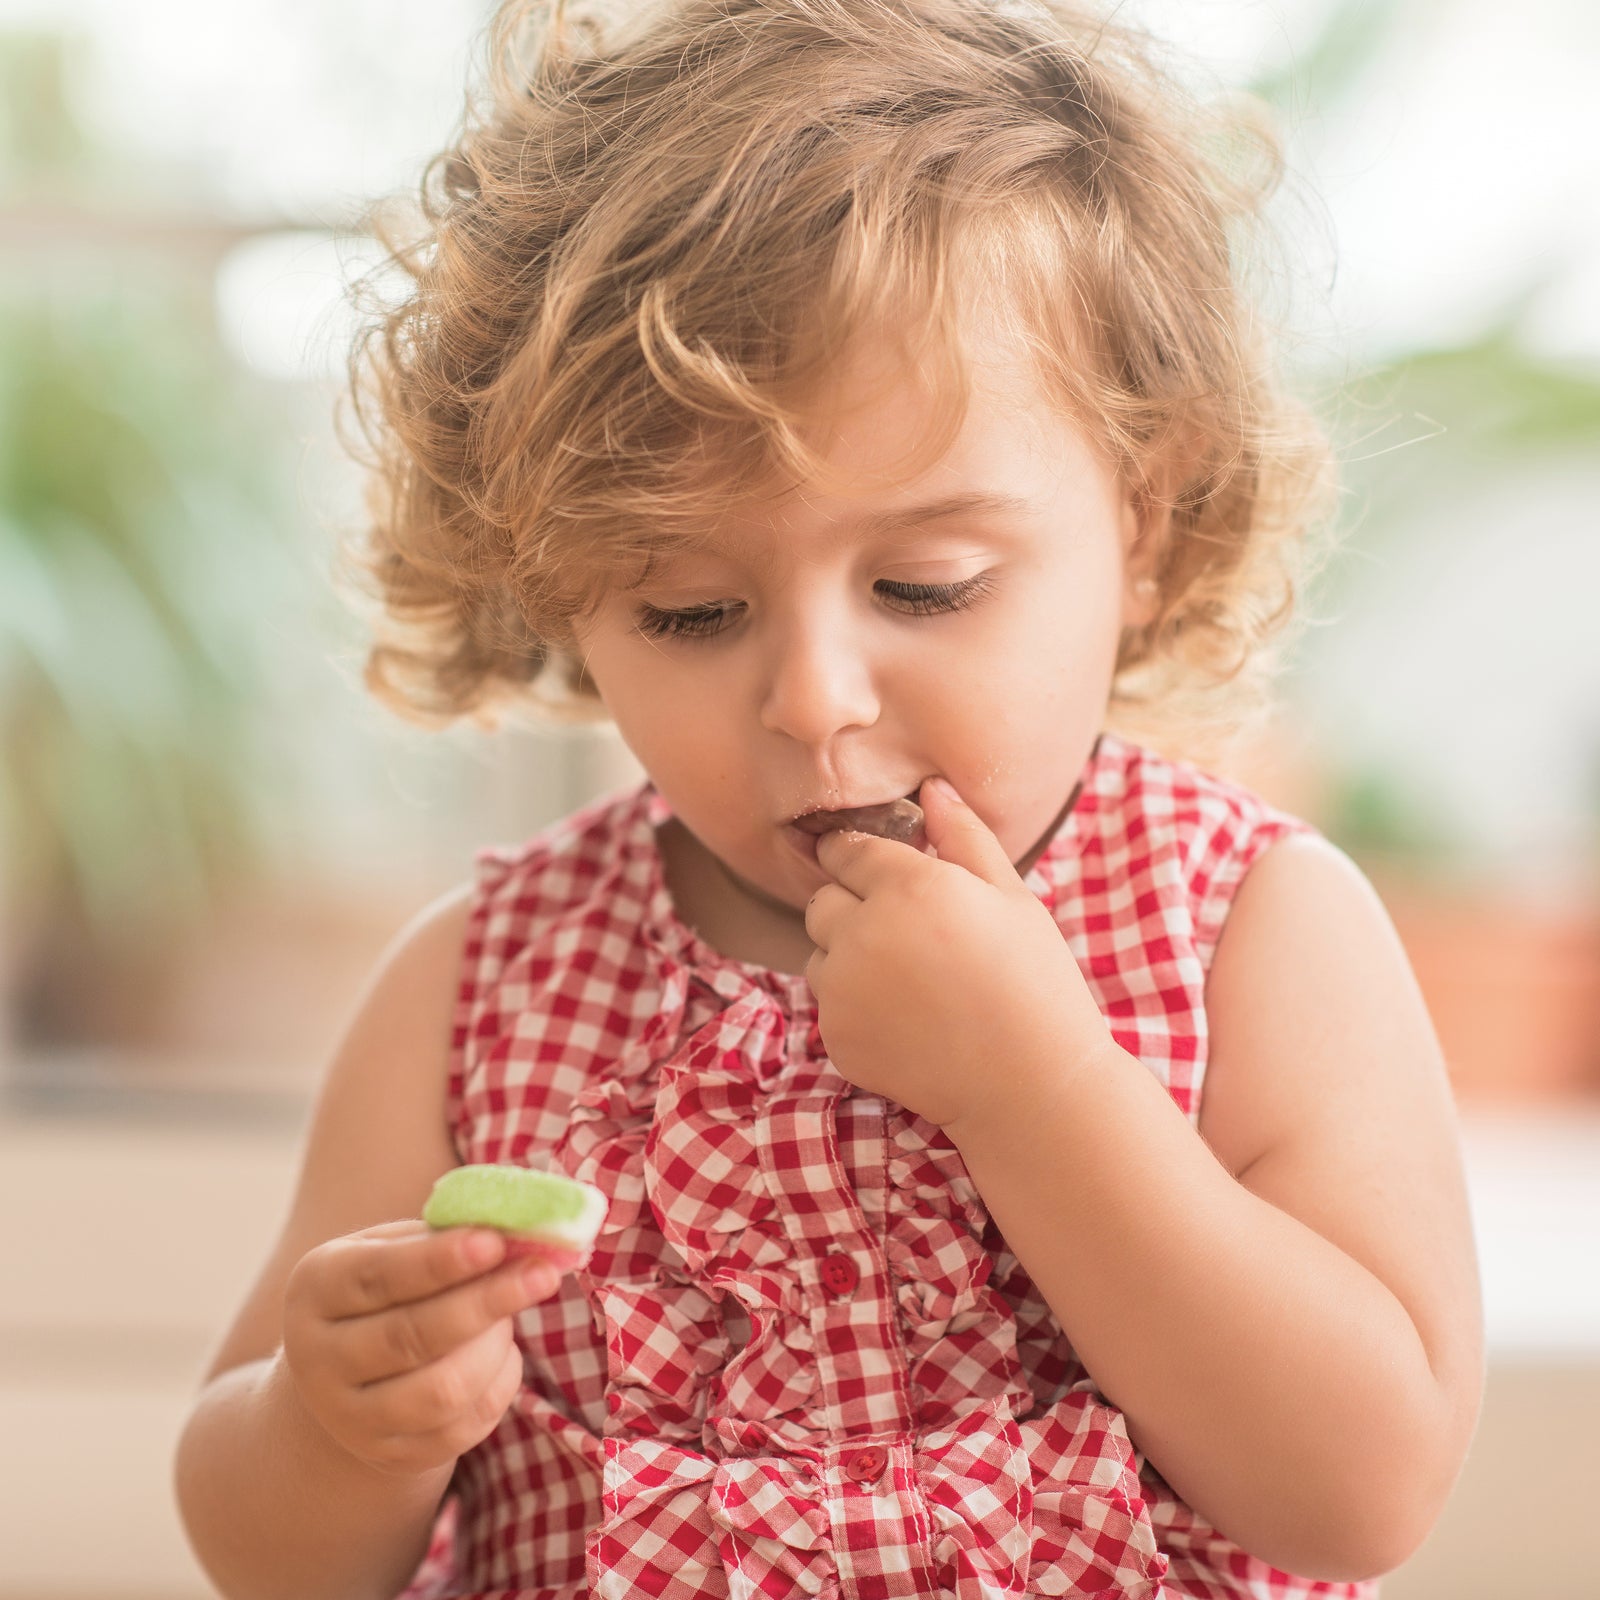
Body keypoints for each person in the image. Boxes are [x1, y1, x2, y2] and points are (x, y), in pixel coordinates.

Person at [174, 1, 1485, 1596]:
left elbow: (1362, 1490)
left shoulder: (1252, 929)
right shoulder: (484, 988)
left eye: (925, 587)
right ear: (558, 591)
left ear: (1143, 519)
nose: (812, 699)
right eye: (688, 612)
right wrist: (338, 1426)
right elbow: (266, 1556)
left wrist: (1044, 1093)